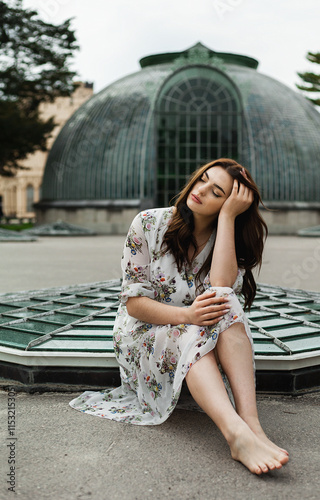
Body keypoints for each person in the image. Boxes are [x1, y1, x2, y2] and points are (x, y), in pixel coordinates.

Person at [70, 158, 289, 474]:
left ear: (229, 205)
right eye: (202, 179)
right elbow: (134, 304)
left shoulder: (226, 238)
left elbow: (222, 286)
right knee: (190, 327)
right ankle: (236, 435)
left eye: (216, 193)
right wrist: (187, 314)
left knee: (225, 301)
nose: (200, 190)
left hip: (198, 327)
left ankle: (251, 424)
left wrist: (226, 219)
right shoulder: (148, 224)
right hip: (143, 332)